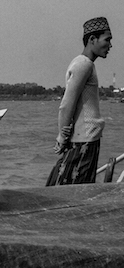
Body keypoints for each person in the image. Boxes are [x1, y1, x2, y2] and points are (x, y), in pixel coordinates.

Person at [46, 17, 112, 186]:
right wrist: (62, 136)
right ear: (92, 39)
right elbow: (67, 104)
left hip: (87, 139)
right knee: (71, 191)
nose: (110, 45)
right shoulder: (84, 64)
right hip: (84, 140)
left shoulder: (84, 63)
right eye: (107, 40)